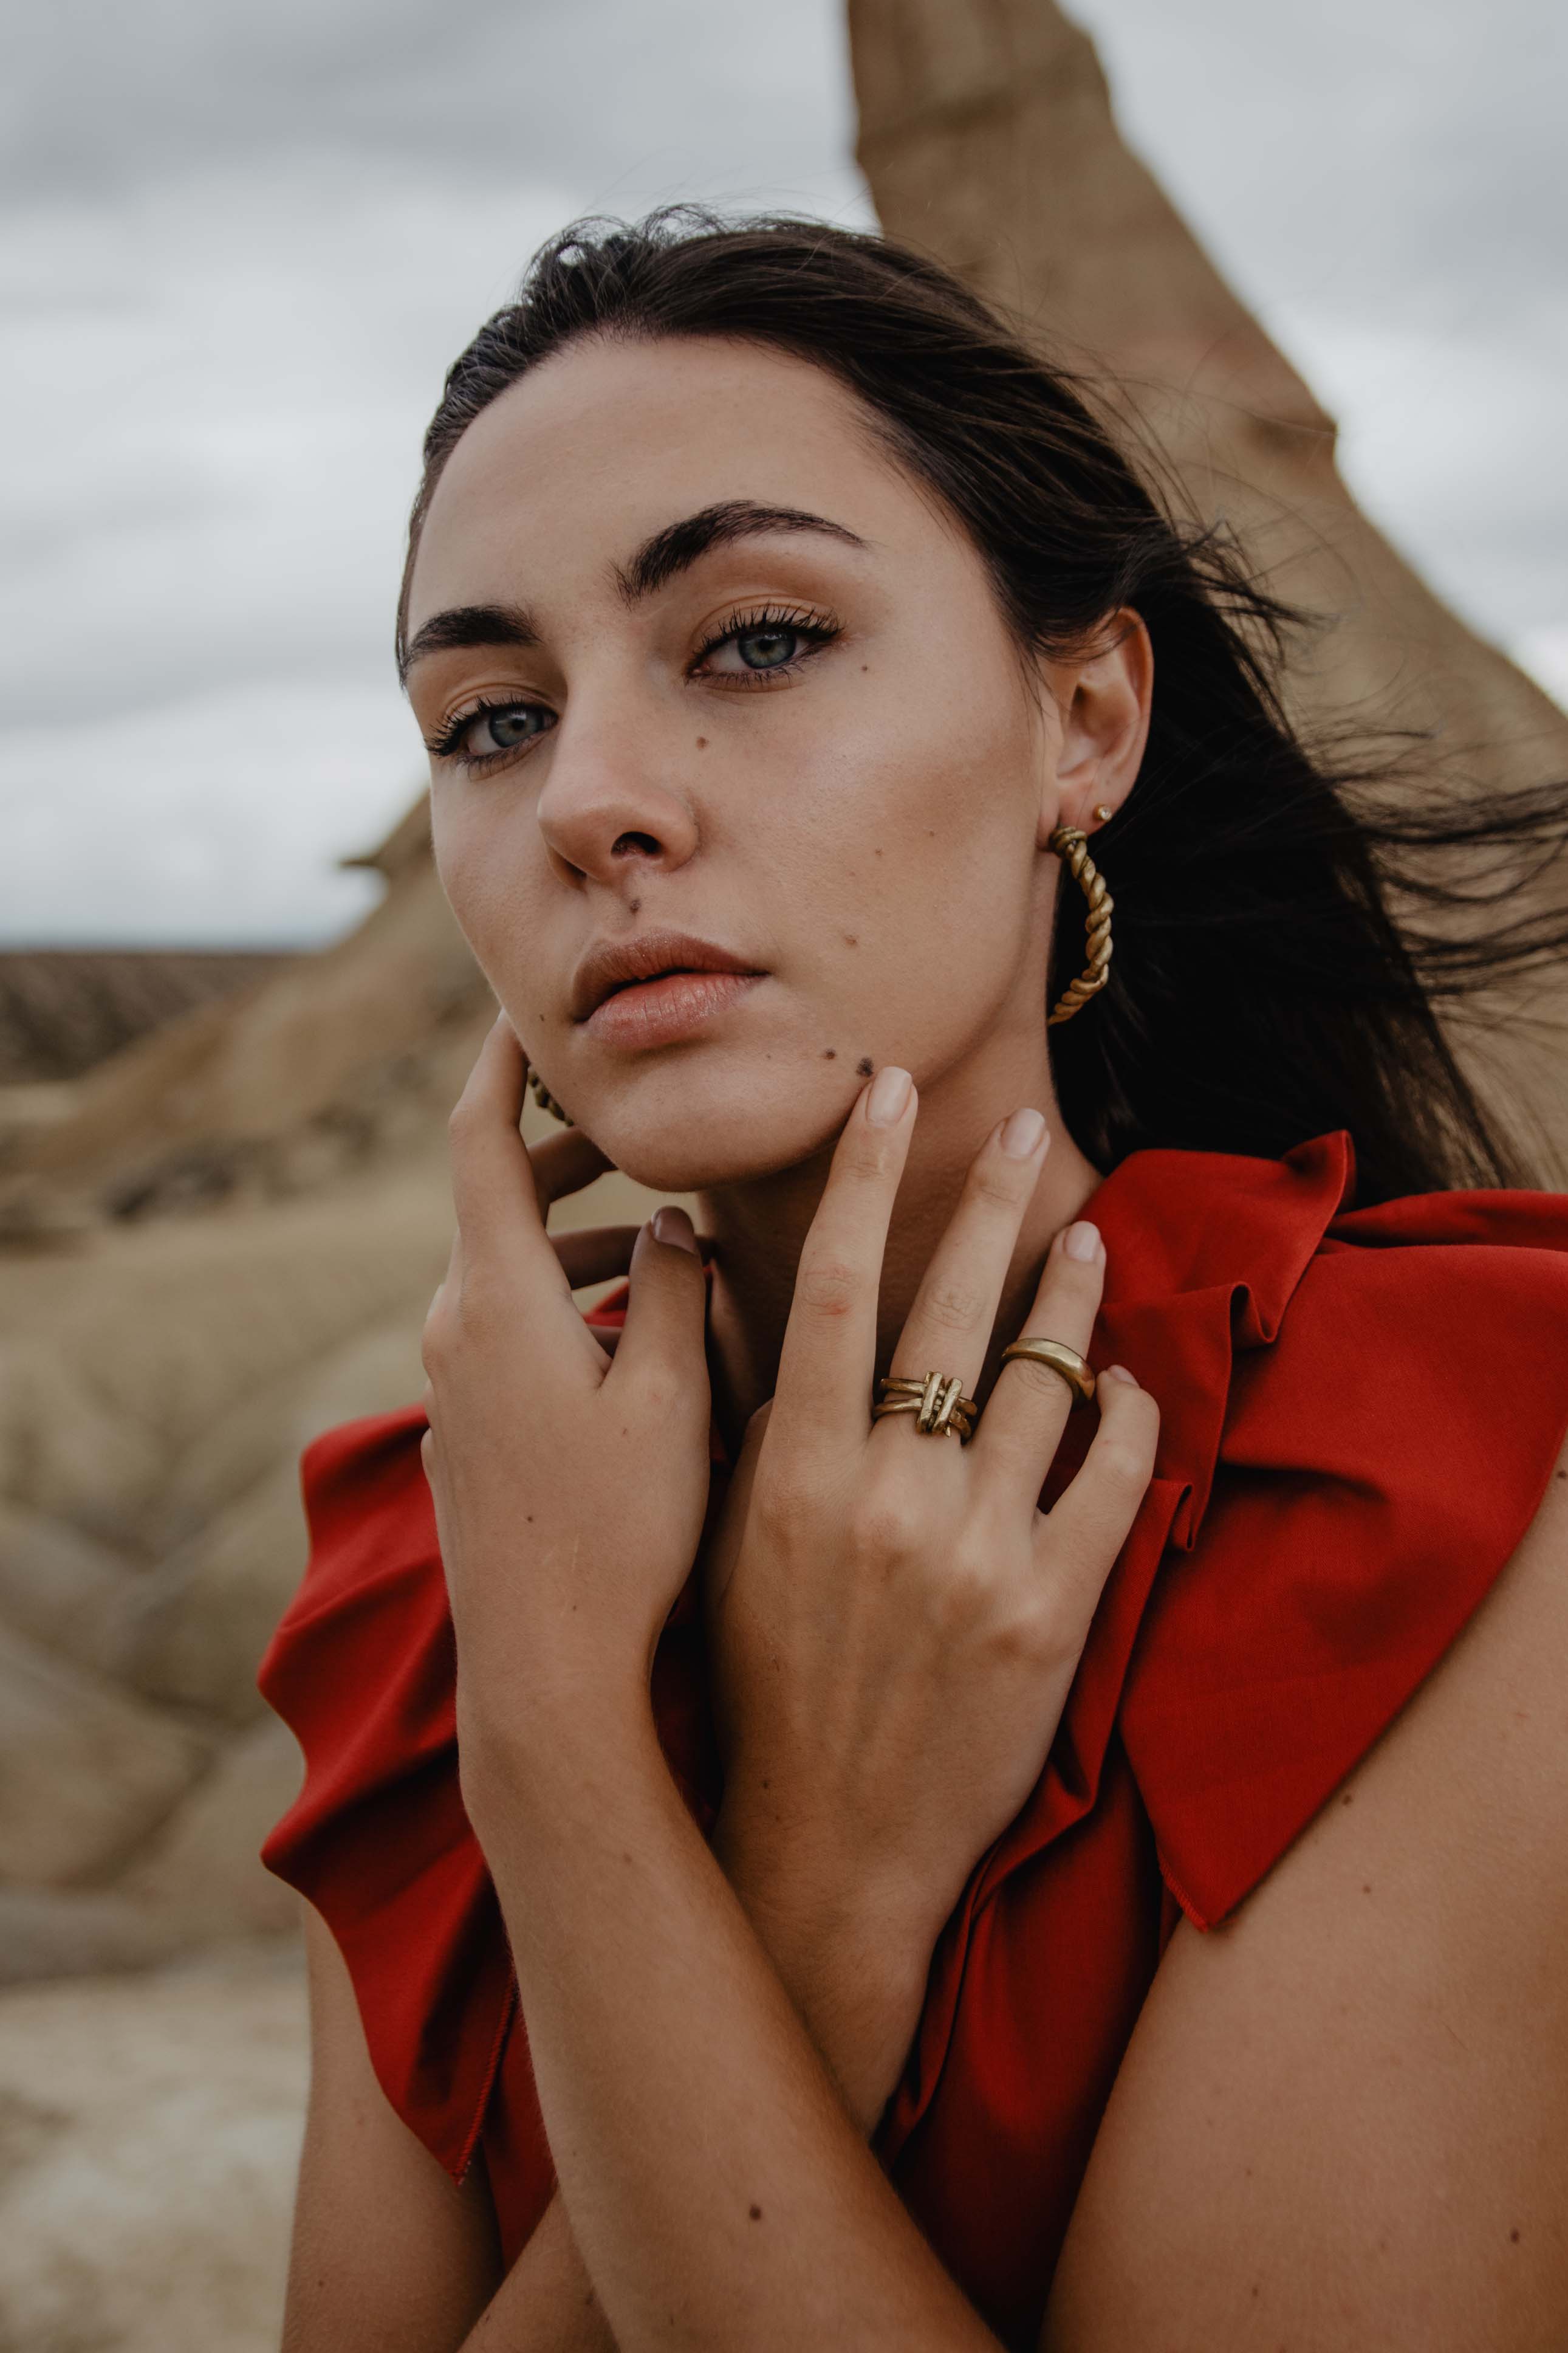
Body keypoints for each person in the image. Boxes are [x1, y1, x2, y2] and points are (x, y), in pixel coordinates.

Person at [259, 213, 1568, 2351]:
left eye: (757, 641)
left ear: (1083, 719)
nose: (589, 798)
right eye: (489, 718)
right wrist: (644, 1783)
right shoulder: (440, 1568)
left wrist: (586, 1780)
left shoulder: (1440, 1469)